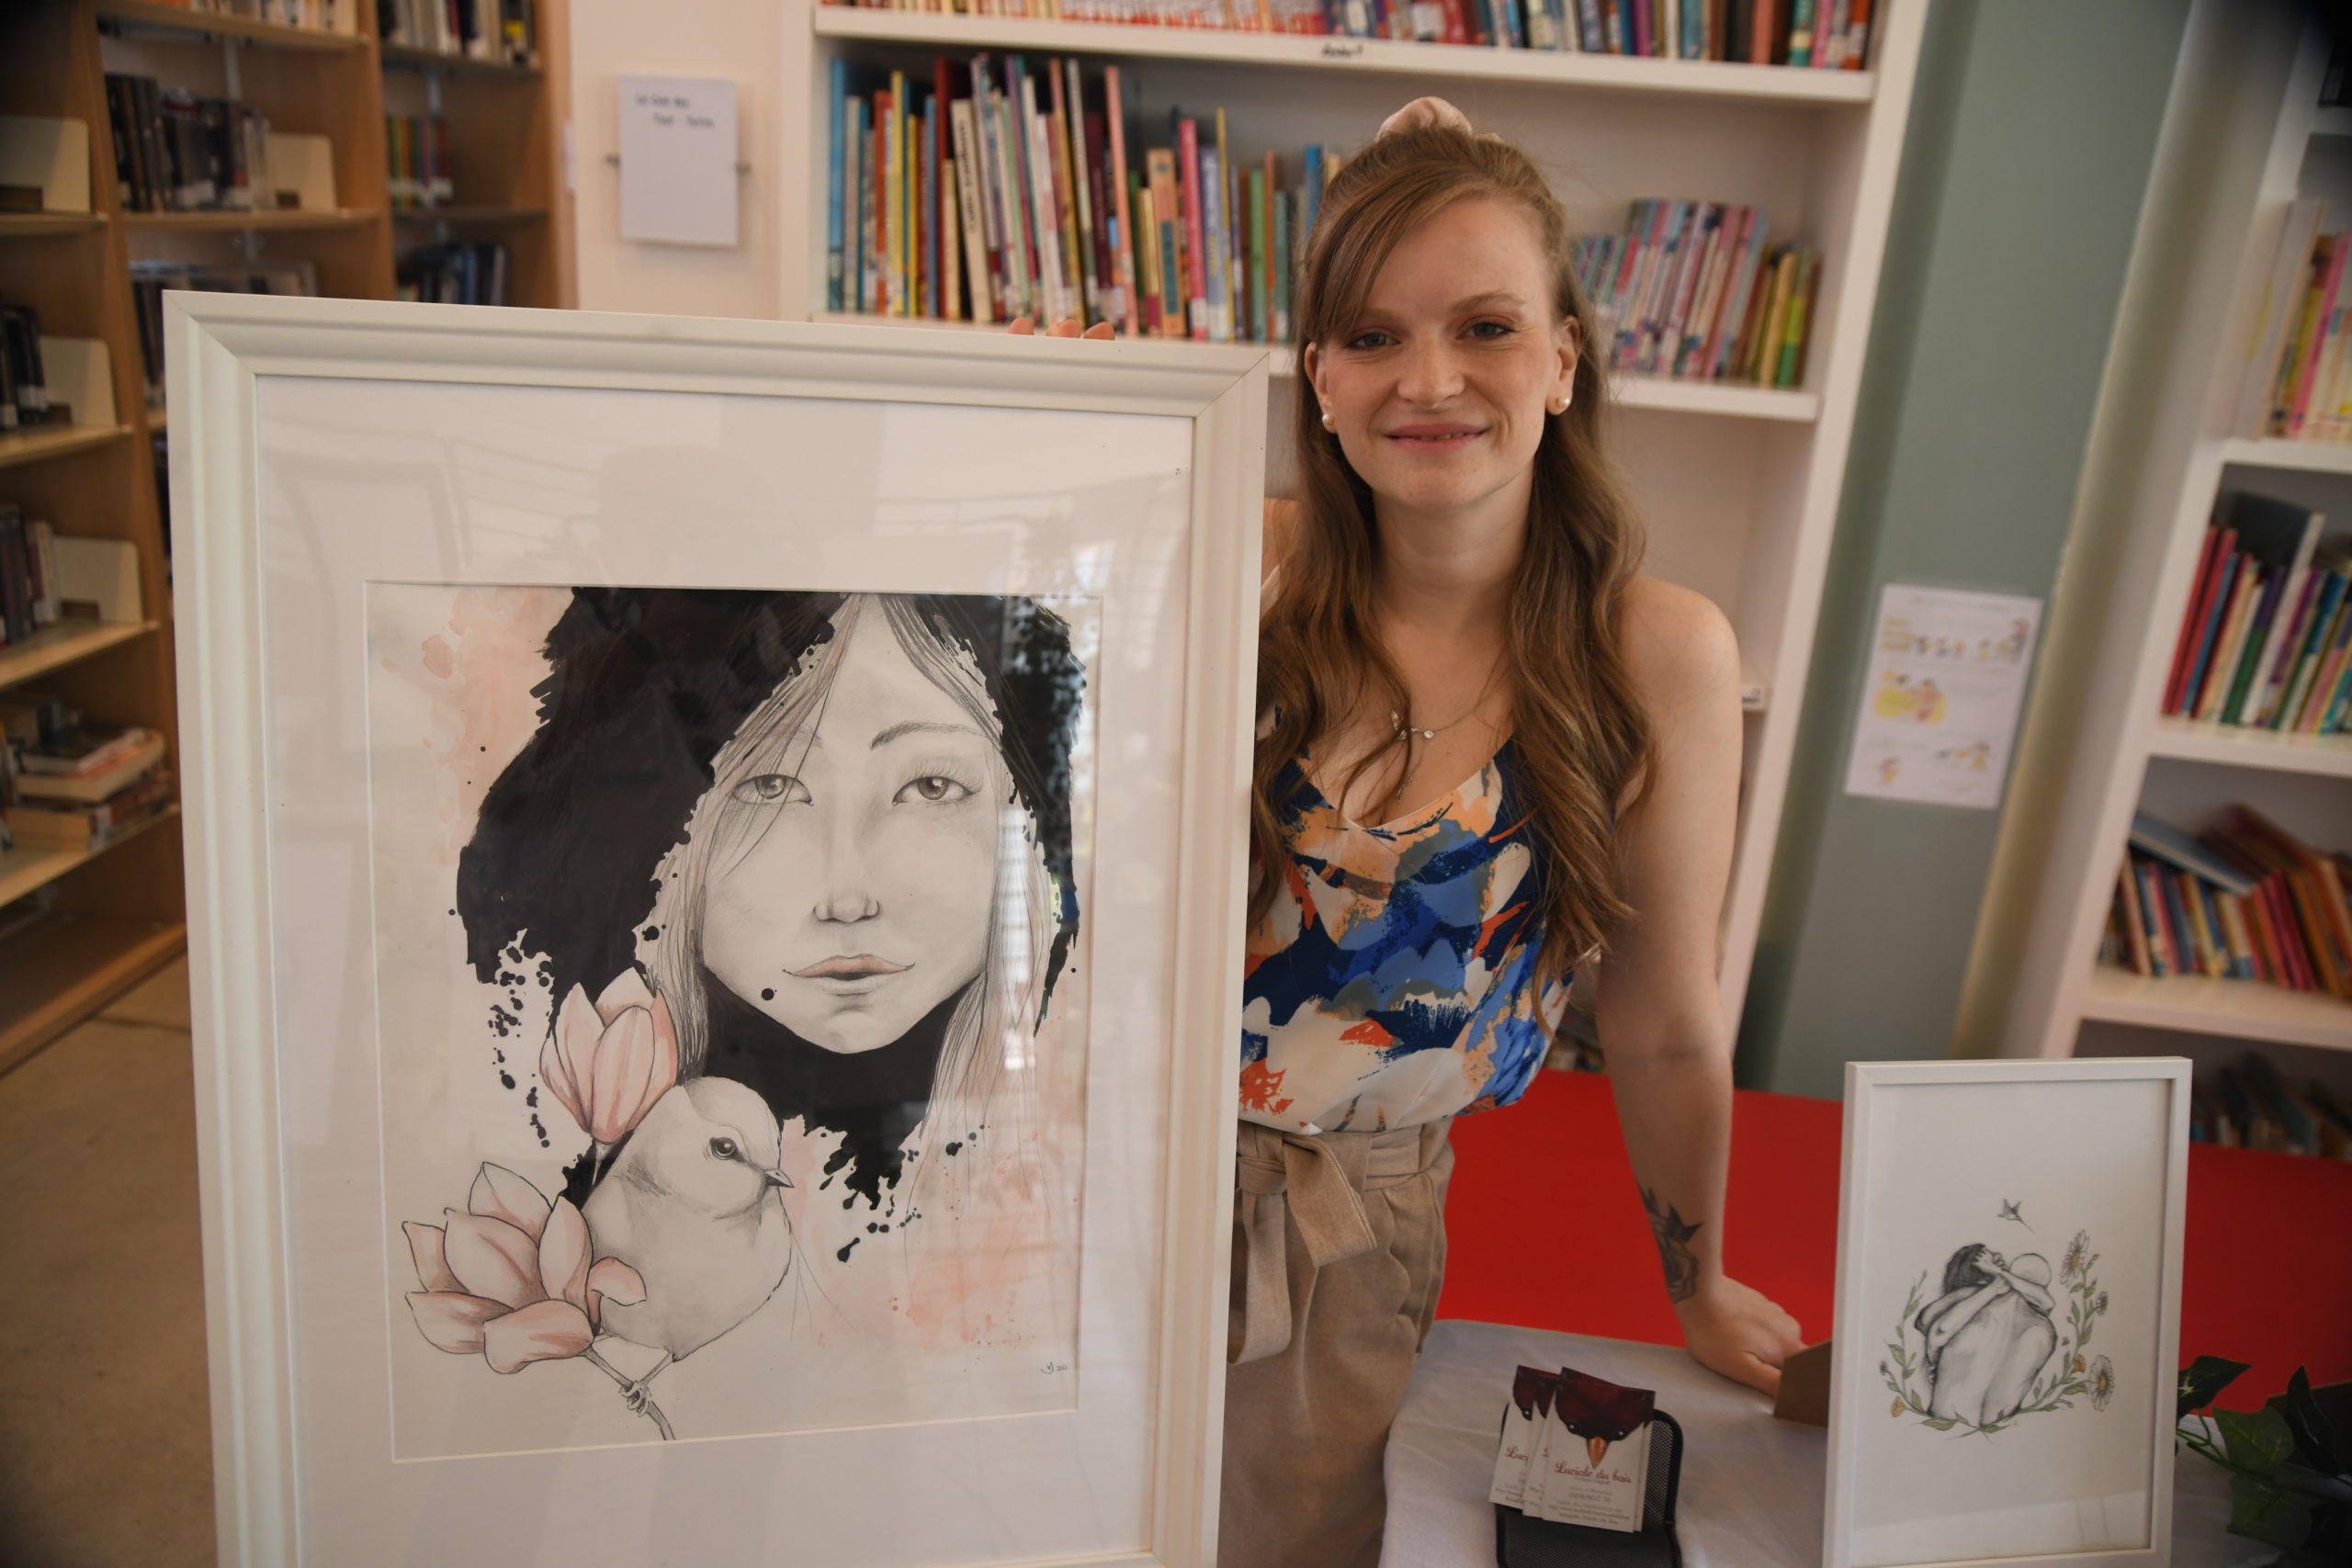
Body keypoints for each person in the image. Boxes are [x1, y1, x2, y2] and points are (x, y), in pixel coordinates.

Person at [1019, 96, 1803, 1567]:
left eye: (1486, 325)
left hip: (1351, 1229)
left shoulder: (1656, 654)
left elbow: (1665, 1023)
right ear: (1318, 377)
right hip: (1082, 1174)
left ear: (1564, 357)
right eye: (1372, 333)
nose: (1428, 378)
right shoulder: (1223, 555)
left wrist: (1693, 1280)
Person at [455, 589, 1086, 1293]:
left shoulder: (1072, 1149)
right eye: (770, 784)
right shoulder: (559, 1133)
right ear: (663, 835)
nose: (849, 897)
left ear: (1028, 820)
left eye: (931, 785)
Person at [1915, 1245, 2058, 1427]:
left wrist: (1936, 1357)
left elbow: (1930, 1325)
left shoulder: (1978, 1302)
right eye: (1991, 1259)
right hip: (1996, 1430)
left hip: (1944, 1421)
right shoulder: (2044, 1329)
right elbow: (2047, 1302)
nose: (1999, 1258)